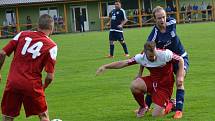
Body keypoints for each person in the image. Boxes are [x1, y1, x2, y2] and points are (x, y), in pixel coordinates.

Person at [96, 41, 185, 118]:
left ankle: (172, 103)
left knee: (156, 115)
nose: (153, 58)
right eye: (150, 56)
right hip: (153, 81)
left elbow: (180, 59)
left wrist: (180, 76)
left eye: (154, 55)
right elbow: (124, 63)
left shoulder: (164, 54)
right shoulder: (141, 57)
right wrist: (105, 66)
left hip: (165, 85)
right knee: (134, 85)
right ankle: (143, 107)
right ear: (145, 54)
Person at [0, 14, 57, 121]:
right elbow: (49, 77)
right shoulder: (52, 45)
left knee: (8, 116)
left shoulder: (21, 34)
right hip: (32, 85)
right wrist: (43, 87)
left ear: (37, 25)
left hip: (13, 82)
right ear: (52, 29)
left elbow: (2, 53)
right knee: (43, 115)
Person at [141, 6, 189, 119]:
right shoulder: (154, 34)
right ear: (154, 19)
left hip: (181, 58)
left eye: (163, 17)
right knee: (156, 82)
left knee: (179, 81)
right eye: (159, 18)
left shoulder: (172, 22)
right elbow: (147, 50)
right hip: (167, 61)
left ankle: (178, 111)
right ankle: (146, 105)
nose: (162, 20)